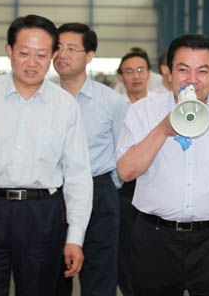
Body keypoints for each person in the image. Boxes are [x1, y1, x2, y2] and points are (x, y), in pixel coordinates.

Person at [0, 14, 93, 296]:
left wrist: (75, 237)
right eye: (24, 53)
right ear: (9, 51)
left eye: (41, 55)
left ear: (53, 55)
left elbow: (78, 176)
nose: (32, 63)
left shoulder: (64, 106)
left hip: (43, 214)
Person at [116, 34, 209, 295]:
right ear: (168, 73)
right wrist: (162, 129)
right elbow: (126, 172)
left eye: (202, 71)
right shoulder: (142, 112)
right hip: (155, 238)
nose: (192, 79)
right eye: (183, 70)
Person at [53, 23, 128, 295]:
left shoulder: (112, 102)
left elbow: (123, 152)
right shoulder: (43, 98)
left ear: (90, 55)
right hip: (52, 195)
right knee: (52, 275)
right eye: (58, 47)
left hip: (100, 193)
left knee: (100, 276)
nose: (62, 54)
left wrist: (108, 186)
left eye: (71, 49)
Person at [115, 48, 153, 296]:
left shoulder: (162, 107)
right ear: (121, 77)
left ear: (149, 74)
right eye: (129, 71)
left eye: (140, 70)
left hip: (156, 188)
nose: (136, 76)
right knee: (125, 252)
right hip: (124, 191)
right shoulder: (115, 108)